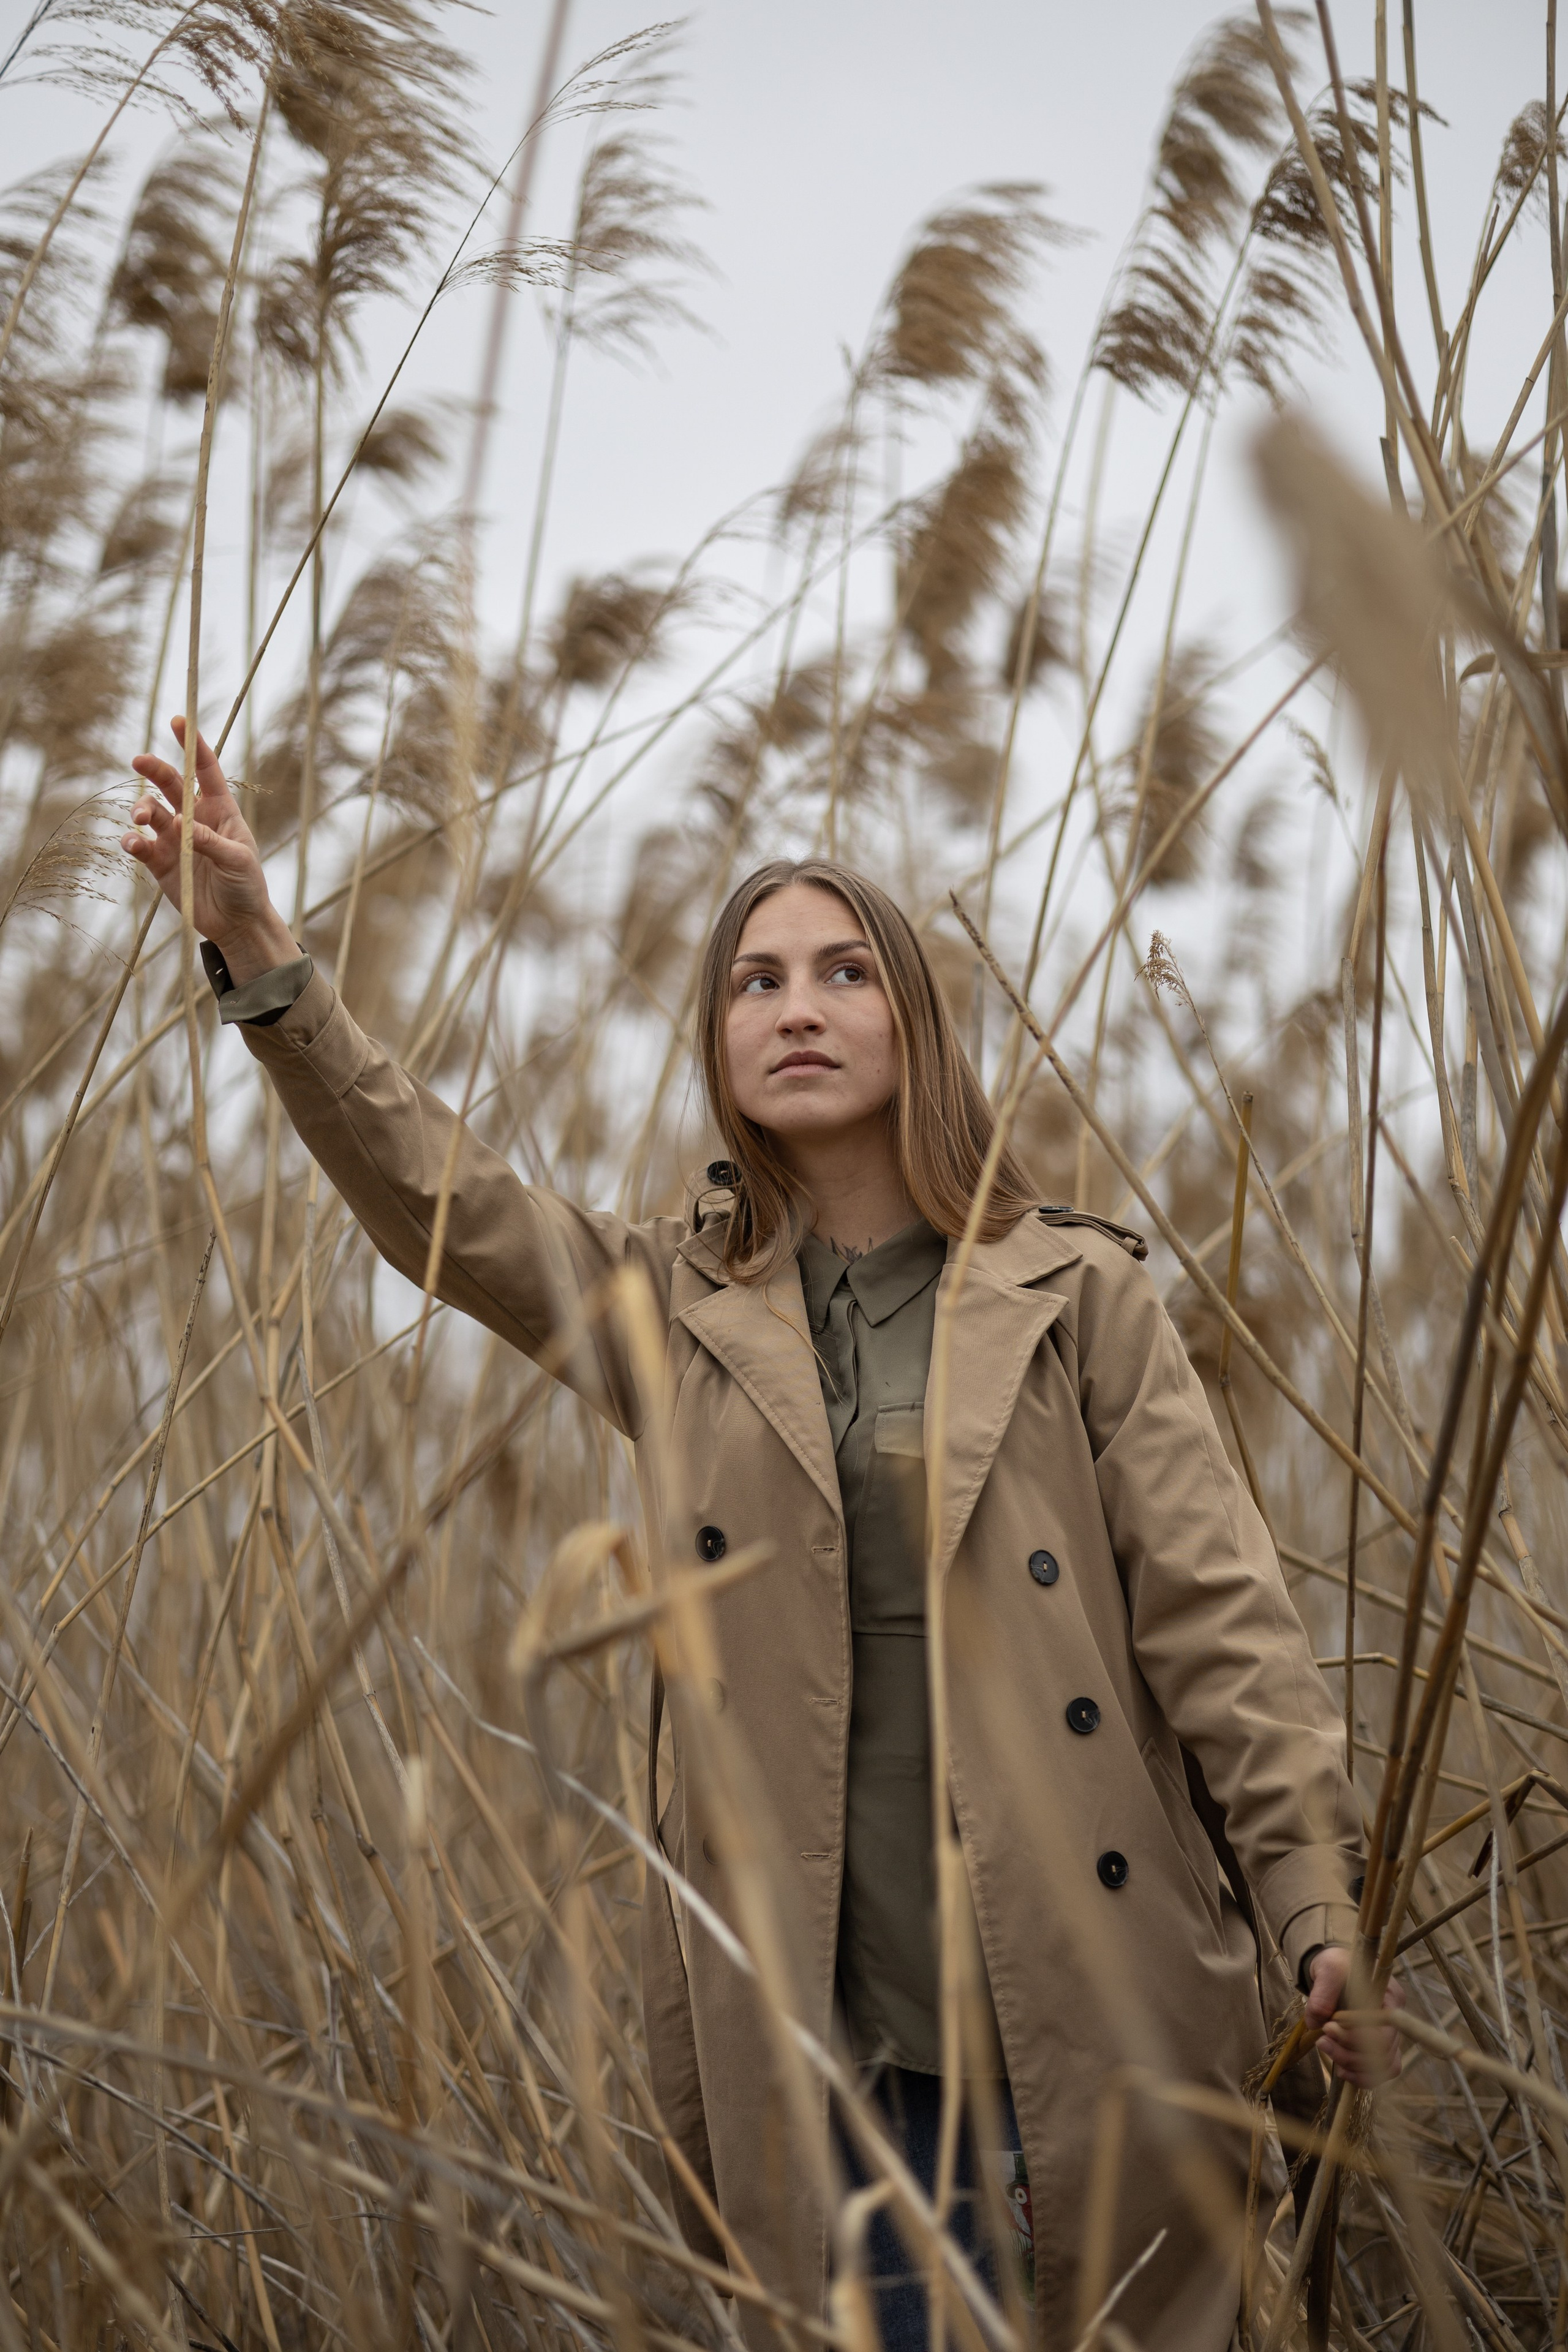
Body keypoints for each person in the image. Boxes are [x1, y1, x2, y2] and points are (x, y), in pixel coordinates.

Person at [123, 720, 1400, 2352]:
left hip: (1103, 2004)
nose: (797, 1005)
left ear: (913, 1021)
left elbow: (1229, 1638)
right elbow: (443, 1207)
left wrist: (1317, 1911)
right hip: (830, 2052)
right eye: (756, 981)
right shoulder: (679, 1310)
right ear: (721, 1045)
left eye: (844, 972)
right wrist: (270, 966)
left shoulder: (1081, 1298)